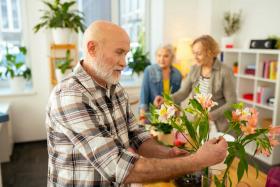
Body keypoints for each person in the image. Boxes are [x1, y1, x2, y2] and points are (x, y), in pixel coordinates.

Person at [46, 21, 228, 187]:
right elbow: (118, 167)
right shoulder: (70, 95)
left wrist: (168, 153)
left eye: (126, 54)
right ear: (92, 48)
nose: (124, 63)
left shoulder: (115, 87)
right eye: (119, 52)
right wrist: (197, 161)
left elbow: (136, 135)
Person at [154, 35, 237, 132]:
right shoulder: (194, 69)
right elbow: (183, 92)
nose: (195, 57)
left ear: (210, 52)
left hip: (219, 126)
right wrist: (166, 99)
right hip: (199, 122)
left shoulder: (225, 71)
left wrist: (211, 116)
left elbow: (232, 102)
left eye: (198, 54)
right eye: (193, 53)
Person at [139, 44, 182, 123]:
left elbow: (177, 99)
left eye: (166, 56)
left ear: (172, 57)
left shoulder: (177, 74)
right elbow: (143, 96)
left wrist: (178, 118)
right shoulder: (149, 70)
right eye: (159, 56)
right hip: (152, 116)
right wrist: (142, 118)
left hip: (170, 116)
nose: (161, 59)